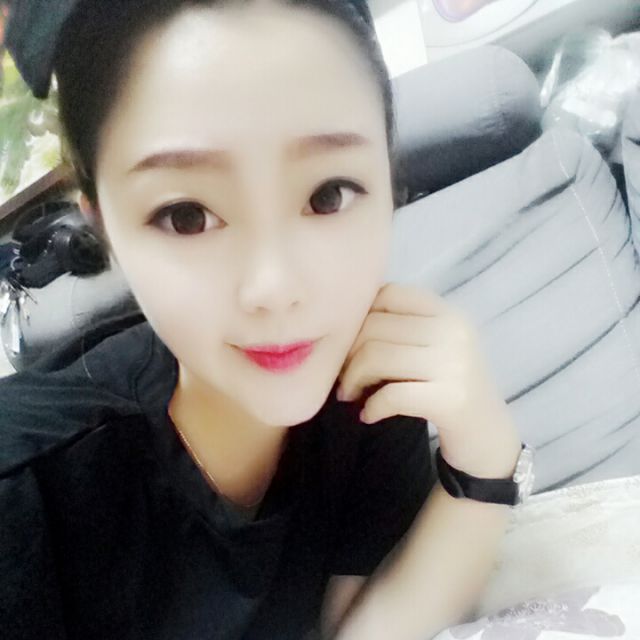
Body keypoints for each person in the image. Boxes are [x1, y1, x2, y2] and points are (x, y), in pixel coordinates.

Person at [0, 1, 528, 639]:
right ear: (105, 228)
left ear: (389, 186)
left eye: (328, 195)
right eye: (187, 216)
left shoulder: (368, 389)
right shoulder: (24, 496)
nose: (275, 289)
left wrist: (487, 453)